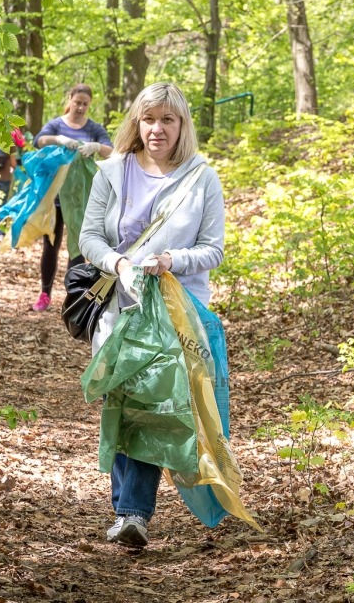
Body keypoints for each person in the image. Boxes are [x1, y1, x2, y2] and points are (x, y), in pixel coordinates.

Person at [78, 82, 226, 548]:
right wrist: (119, 263)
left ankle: (131, 512)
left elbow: (213, 250)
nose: (157, 129)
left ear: (182, 124)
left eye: (168, 119)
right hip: (121, 307)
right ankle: (128, 510)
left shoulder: (202, 178)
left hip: (178, 310)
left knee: (153, 401)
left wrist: (170, 260)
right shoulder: (112, 171)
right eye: (149, 119)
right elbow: (88, 239)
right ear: (136, 123)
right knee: (123, 400)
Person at [31, 84, 113, 311]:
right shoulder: (57, 124)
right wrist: (57, 139)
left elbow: (113, 150)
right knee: (51, 244)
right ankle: (45, 294)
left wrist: (96, 146)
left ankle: (72, 298)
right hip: (56, 197)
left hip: (81, 199)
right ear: (70, 99)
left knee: (78, 246)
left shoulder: (94, 128)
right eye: (78, 102)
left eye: (85, 104)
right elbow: (38, 141)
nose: (81, 107)